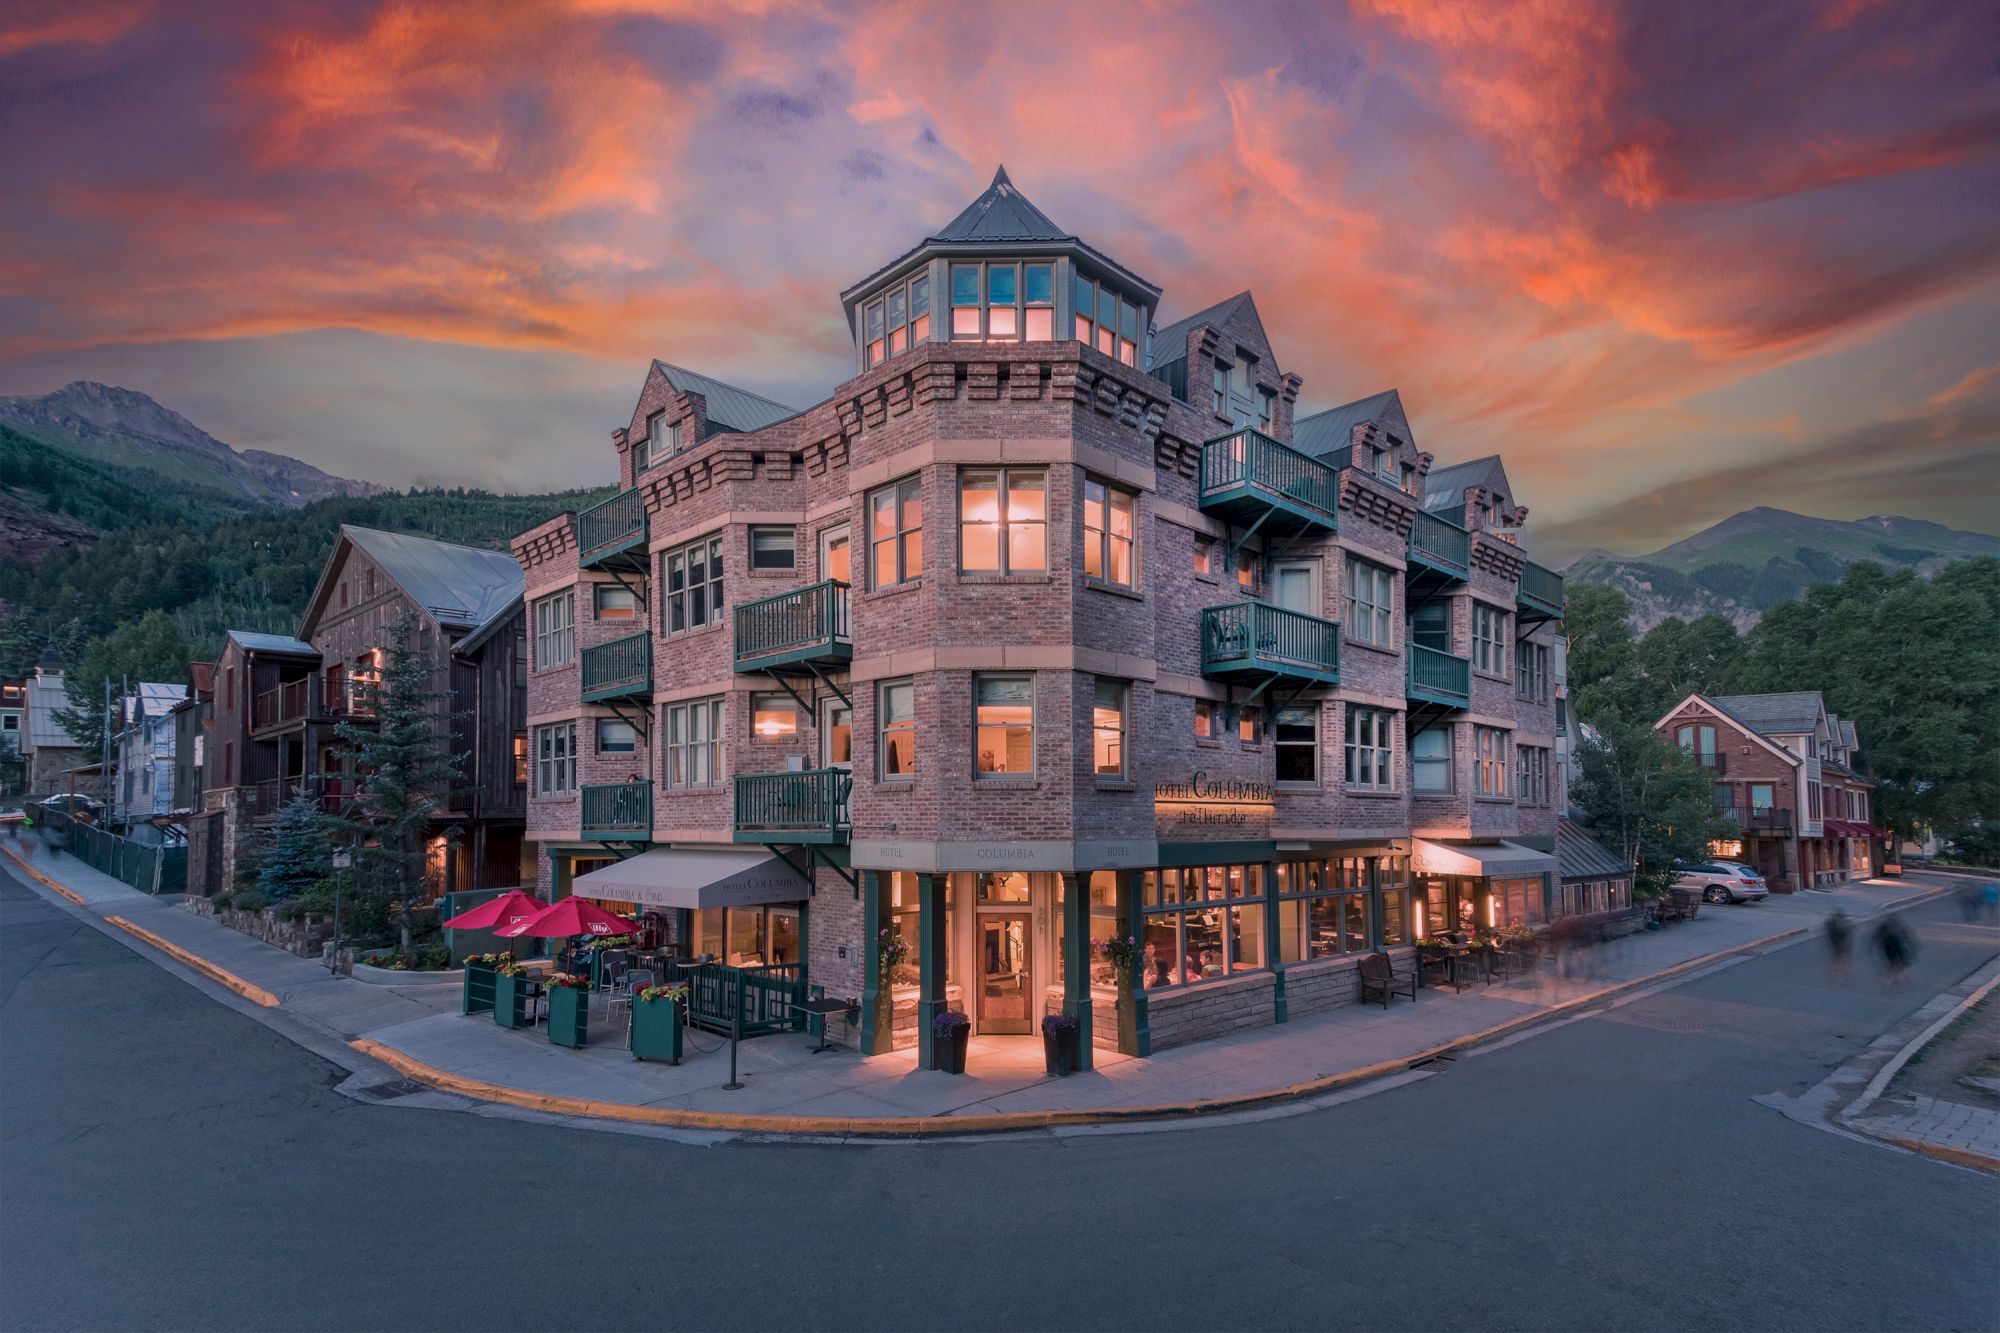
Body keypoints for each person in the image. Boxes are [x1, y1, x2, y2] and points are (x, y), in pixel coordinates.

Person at [1872, 914, 1913, 986]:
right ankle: (1900, 978)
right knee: (1897, 962)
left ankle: (1894, 978)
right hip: (1893, 945)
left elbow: (1876, 936)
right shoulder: (1896, 927)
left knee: (1893, 962)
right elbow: (1905, 935)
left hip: (1889, 946)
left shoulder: (1884, 928)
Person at [1824, 909, 1852, 981]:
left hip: (1838, 942)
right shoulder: (1836, 925)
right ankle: (1841, 973)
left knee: (1838, 958)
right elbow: (1836, 935)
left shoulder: (1836, 924)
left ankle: (1836, 972)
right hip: (1838, 943)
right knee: (1840, 958)